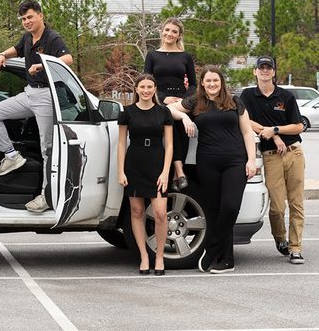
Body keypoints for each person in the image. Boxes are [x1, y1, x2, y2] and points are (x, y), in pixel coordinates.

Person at [0, 0, 72, 213]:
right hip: (29, 93)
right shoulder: (27, 38)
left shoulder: (52, 38)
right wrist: (2, 55)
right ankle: (12, 156)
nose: (26, 21)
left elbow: (68, 59)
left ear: (40, 16)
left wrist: (42, 64)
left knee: (47, 149)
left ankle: (48, 195)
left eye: (30, 17)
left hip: (45, 96)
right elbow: (15, 49)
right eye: (23, 19)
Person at [170, 66, 257, 274]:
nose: (212, 85)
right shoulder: (195, 102)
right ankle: (227, 260)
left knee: (230, 206)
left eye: (215, 81)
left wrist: (251, 160)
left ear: (222, 82)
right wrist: (185, 117)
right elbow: (168, 109)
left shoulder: (235, 102)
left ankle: (212, 249)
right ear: (202, 83)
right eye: (208, 81)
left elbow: (247, 132)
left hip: (235, 161)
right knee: (214, 210)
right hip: (207, 162)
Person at [243, 55, 306, 265]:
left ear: (274, 72)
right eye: (261, 68)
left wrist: (276, 129)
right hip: (272, 157)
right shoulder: (248, 96)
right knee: (277, 207)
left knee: (296, 203)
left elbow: (298, 126)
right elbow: (244, 120)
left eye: (268, 68)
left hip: (294, 153)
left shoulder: (285, 97)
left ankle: (295, 247)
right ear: (255, 72)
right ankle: (280, 238)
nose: (264, 71)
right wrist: (272, 134)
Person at [117, 74, 173, 275]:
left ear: (155, 88)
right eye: (142, 86)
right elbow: (122, 143)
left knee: (159, 212)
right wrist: (121, 170)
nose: (146, 90)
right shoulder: (127, 112)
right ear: (137, 89)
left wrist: (166, 172)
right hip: (135, 163)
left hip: (157, 163)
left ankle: (159, 255)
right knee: (137, 212)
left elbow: (170, 144)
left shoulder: (163, 112)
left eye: (150, 86)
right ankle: (143, 256)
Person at [143, 17, 197, 191]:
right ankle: (179, 171)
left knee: (181, 124)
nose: (170, 34)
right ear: (162, 32)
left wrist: (184, 100)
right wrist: (163, 97)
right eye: (167, 30)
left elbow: (194, 84)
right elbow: (146, 82)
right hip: (160, 100)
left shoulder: (185, 56)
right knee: (169, 122)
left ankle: (176, 172)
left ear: (179, 35)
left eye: (174, 31)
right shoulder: (152, 56)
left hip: (182, 100)